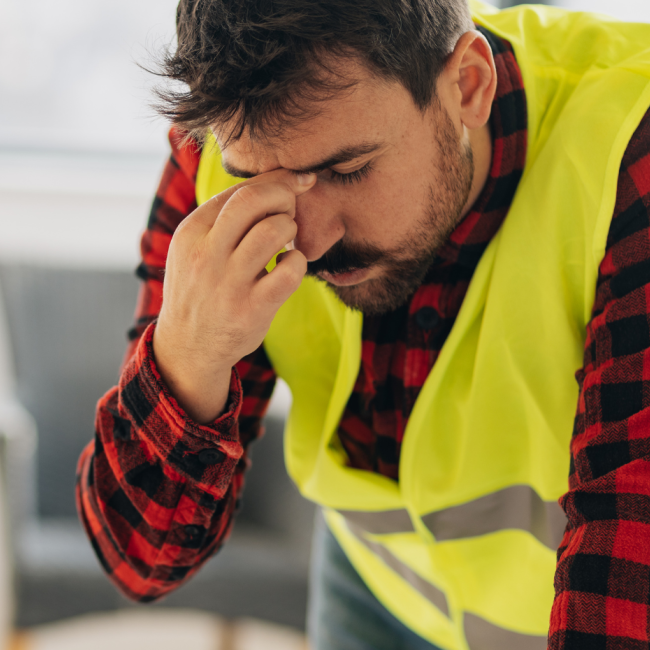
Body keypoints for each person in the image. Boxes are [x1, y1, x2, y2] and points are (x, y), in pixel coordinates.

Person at [76, 0, 650, 647]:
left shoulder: (631, 151)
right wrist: (187, 359)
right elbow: (137, 561)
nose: (310, 242)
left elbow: (629, 547)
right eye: (258, 182)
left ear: (466, 85)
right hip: (376, 584)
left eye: (347, 170)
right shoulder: (217, 147)